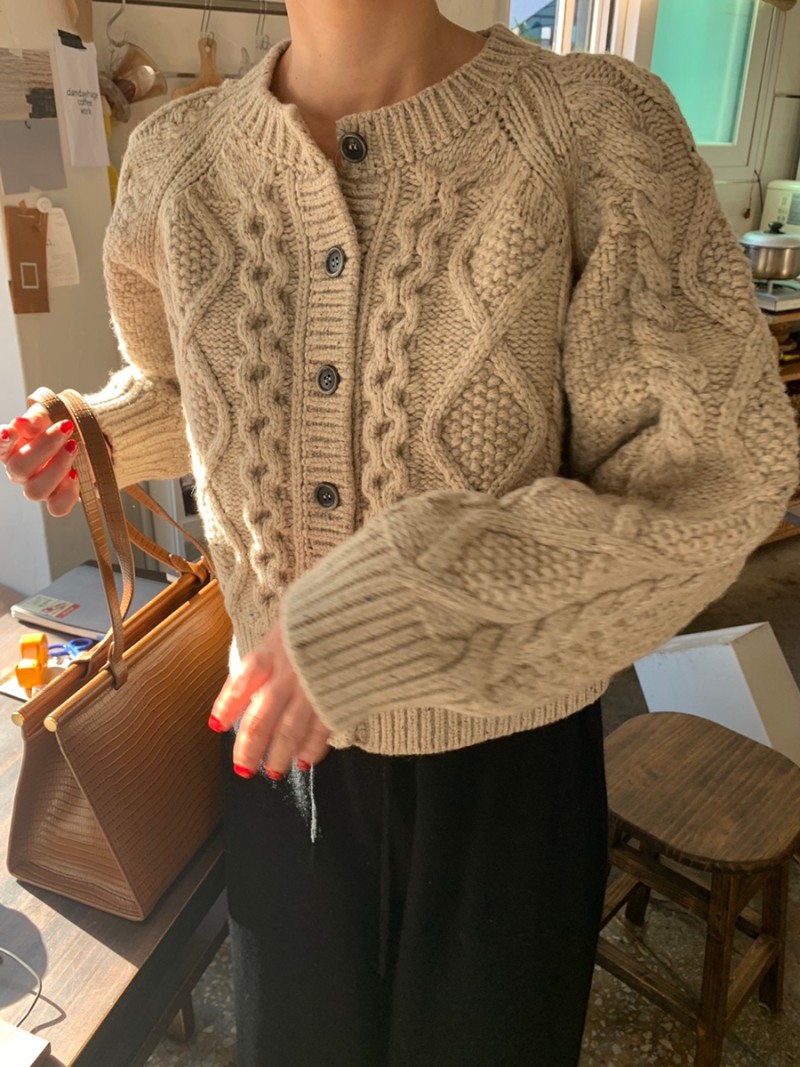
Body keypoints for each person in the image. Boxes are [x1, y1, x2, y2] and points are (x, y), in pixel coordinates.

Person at [2, 3, 798, 1064]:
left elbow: (718, 482)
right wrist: (103, 430)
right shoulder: (175, 160)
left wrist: (413, 588)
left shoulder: (594, 129)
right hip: (274, 762)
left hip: (506, 766)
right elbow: (187, 384)